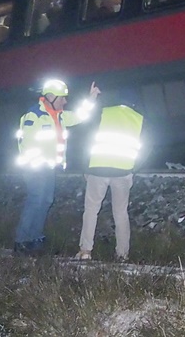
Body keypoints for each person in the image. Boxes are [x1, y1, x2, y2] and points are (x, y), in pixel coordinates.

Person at [13, 79, 99, 254]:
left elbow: (79, 116)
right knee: (36, 201)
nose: (65, 102)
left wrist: (91, 99)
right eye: (62, 98)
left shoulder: (59, 116)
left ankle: (35, 238)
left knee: (45, 201)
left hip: (48, 168)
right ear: (51, 97)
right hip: (35, 168)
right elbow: (27, 143)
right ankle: (22, 240)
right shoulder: (34, 115)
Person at [76, 101, 145, 262]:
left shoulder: (103, 113)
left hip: (98, 170)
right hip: (123, 172)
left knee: (91, 211)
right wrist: (133, 168)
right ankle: (122, 254)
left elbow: (87, 141)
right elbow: (146, 148)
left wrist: (86, 167)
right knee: (121, 213)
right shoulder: (138, 118)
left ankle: (85, 251)